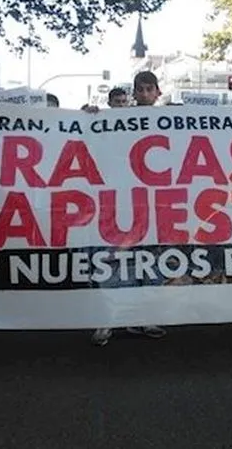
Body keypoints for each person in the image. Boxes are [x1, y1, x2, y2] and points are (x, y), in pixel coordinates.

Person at [91, 72, 168, 346]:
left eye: (150, 89)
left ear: (158, 92)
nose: (145, 94)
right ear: (134, 93)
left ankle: (145, 317)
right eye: (140, 89)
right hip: (120, 201)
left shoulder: (174, 120)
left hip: (155, 204)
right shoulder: (115, 120)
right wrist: (87, 118)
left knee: (150, 262)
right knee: (112, 261)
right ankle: (108, 320)